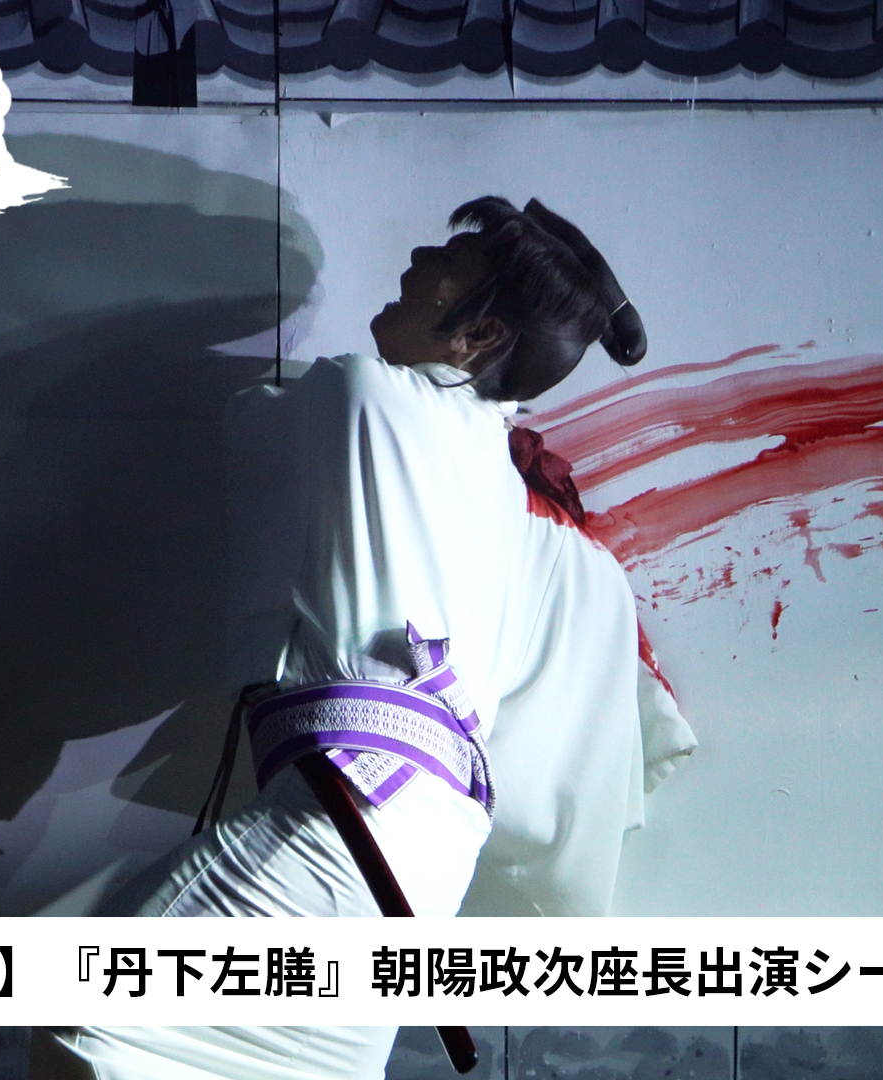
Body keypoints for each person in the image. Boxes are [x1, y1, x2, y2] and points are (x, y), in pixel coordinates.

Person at [37, 197, 696, 1080]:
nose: (421, 255)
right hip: (422, 840)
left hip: (353, 811)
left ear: (479, 333)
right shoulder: (511, 495)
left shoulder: (366, 394)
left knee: (92, 1024)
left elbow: (255, 422)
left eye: (450, 262)